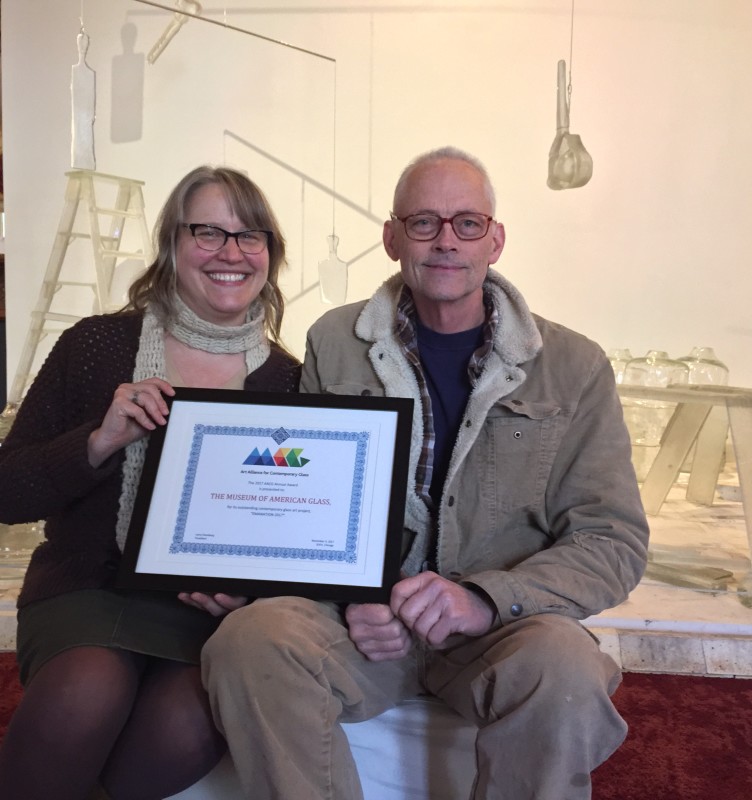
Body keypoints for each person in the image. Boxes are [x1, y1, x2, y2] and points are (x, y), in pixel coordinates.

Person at [201, 147, 650, 799]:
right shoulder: (334, 341)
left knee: (567, 663)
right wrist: (359, 597)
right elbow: (309, 504)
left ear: (495, 240)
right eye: (423, 223)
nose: (446, 241)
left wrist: (484, 600)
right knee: (249, 640)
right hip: (370, 630)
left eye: (467, 223)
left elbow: (612, 539)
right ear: (391, 238)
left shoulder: (574, 366)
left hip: (505, 629)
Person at [0, 165, 300, 800]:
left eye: (252, 236)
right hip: (88, 592)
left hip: (203, 618)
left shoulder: (291, 381)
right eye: (208, 232)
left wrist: (245, 593)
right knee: (87, 689)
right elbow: (6, 490)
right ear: (171, 243)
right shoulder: (96, 345)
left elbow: (291, 528)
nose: (231, 253)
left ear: (270, 254)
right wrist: (98, 440)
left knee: (196, 720)